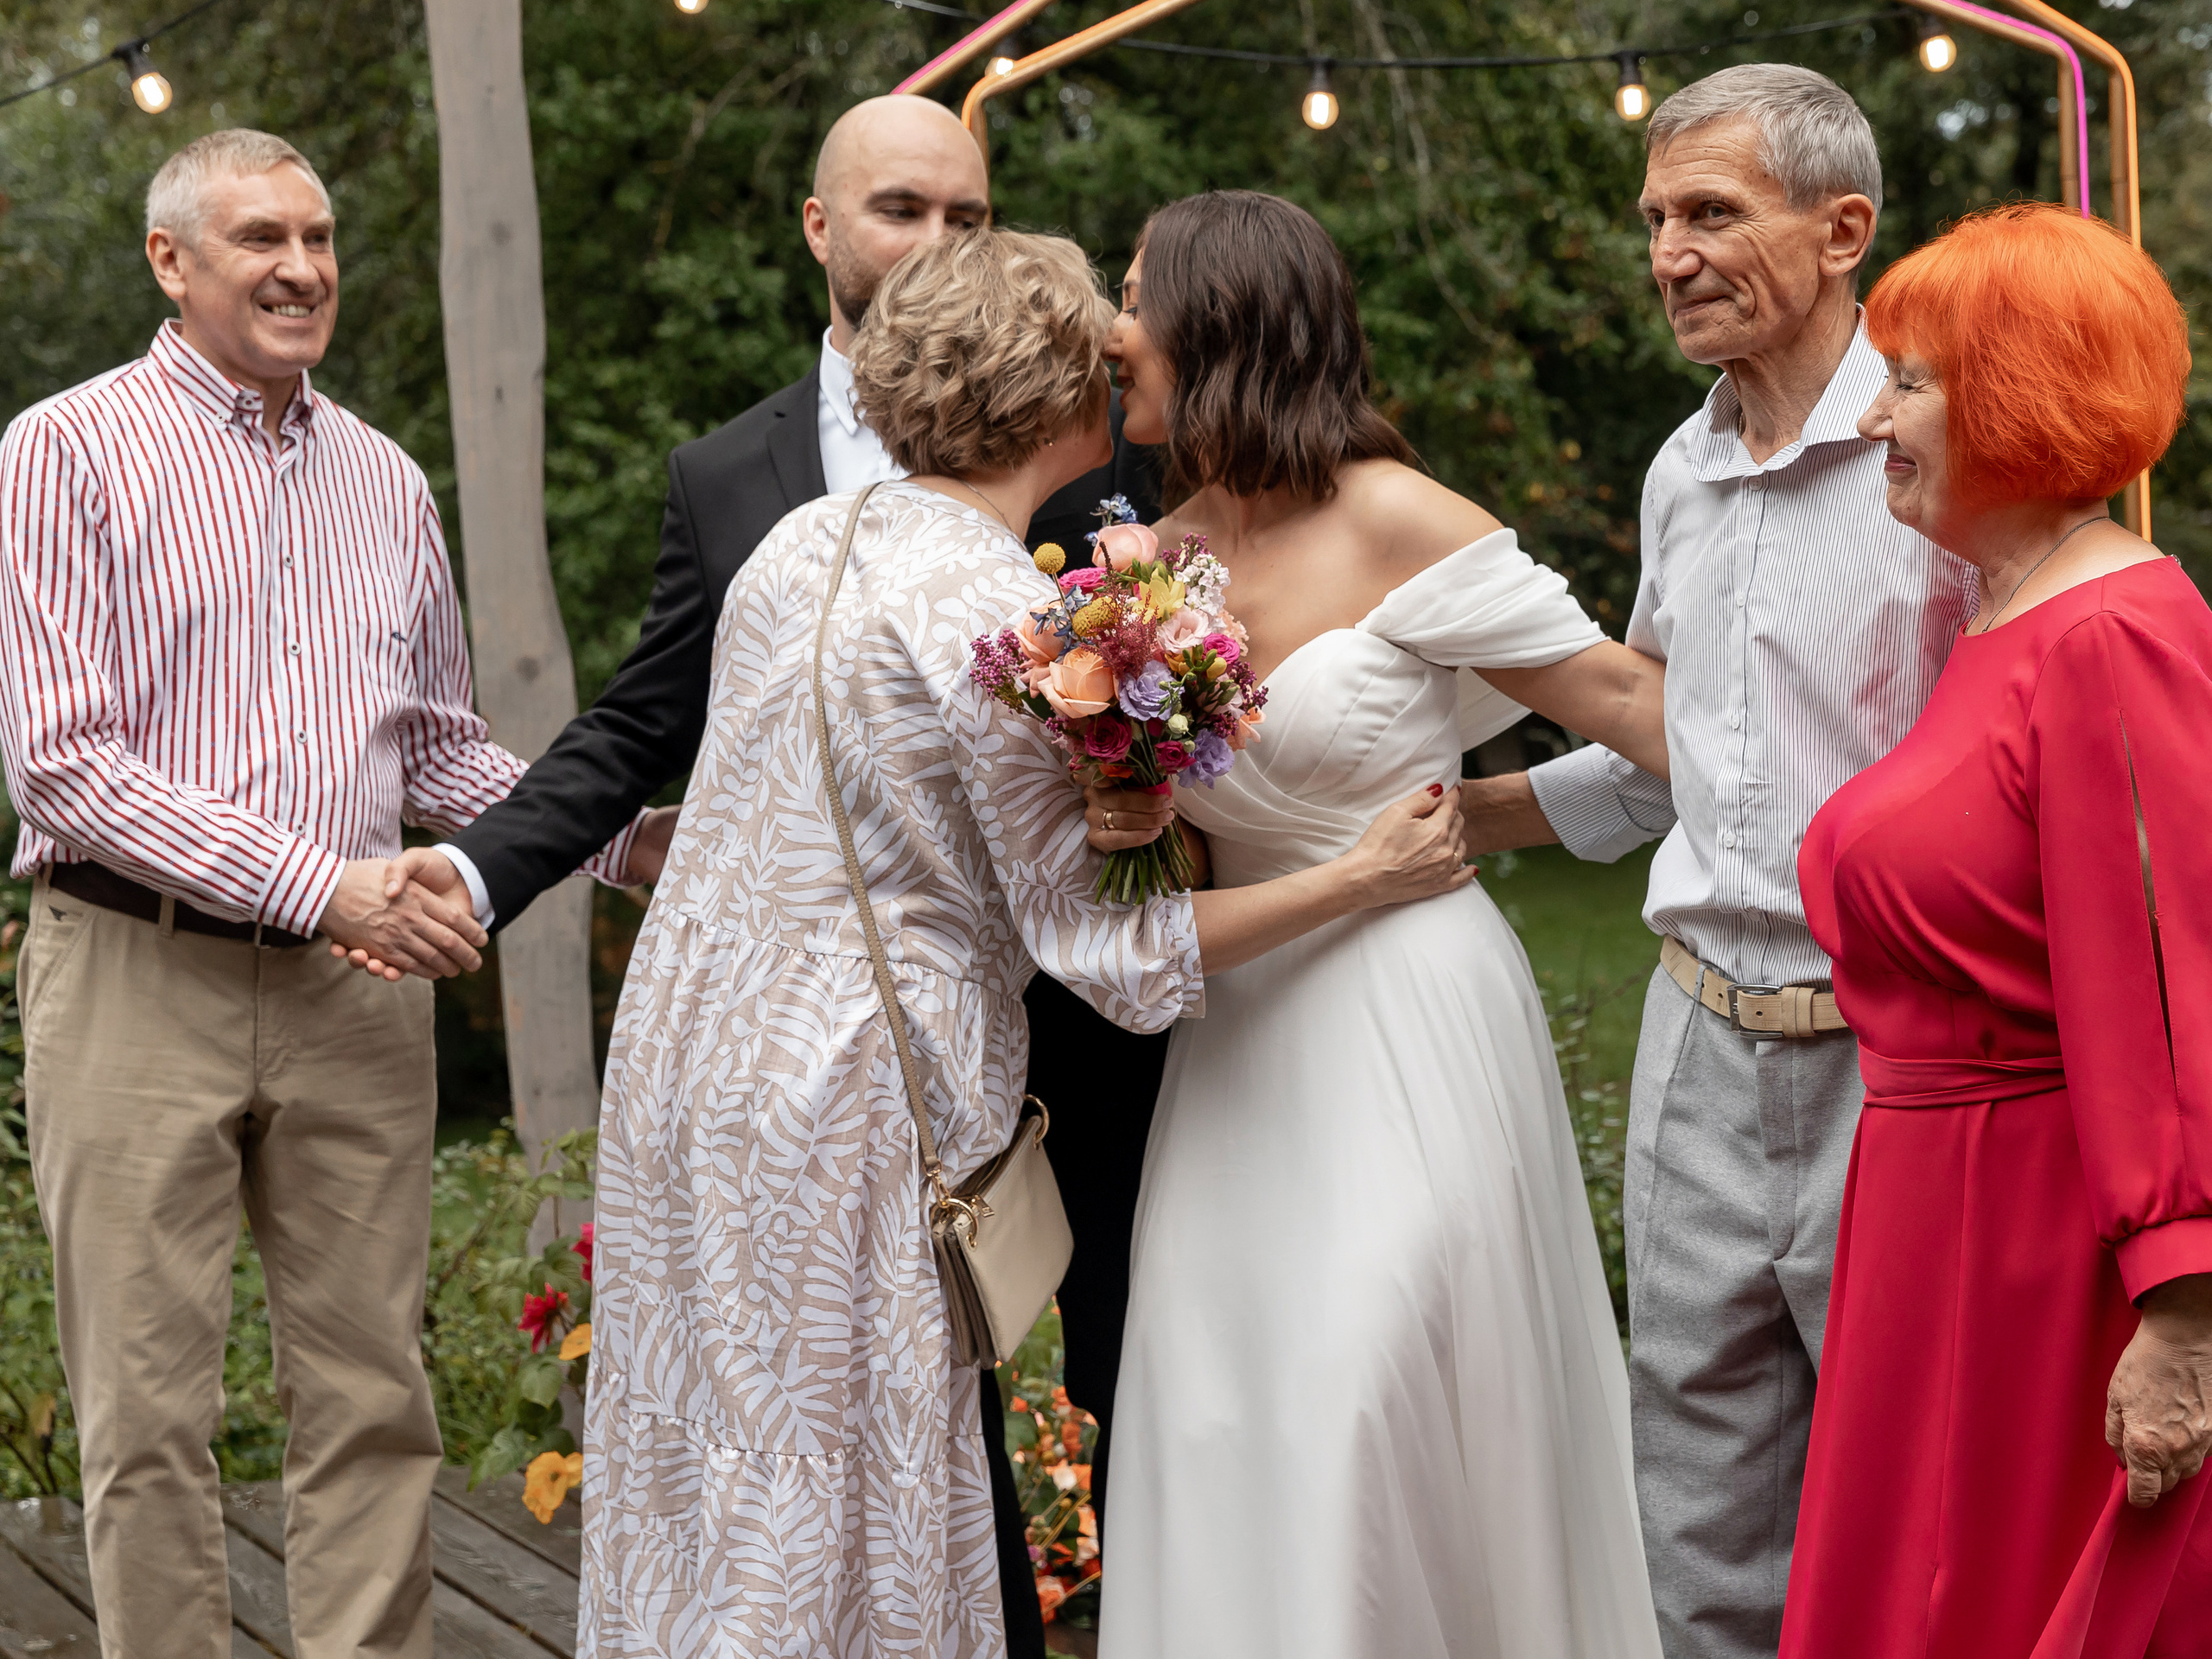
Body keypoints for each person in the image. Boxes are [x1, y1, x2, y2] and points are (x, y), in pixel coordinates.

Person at [579, 226, 1475, 1652]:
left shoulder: (799, 547)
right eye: (1102, 358)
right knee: (846, 1472)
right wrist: (1356, 876)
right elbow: (1110, 954)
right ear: (1062, 398)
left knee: (709, 1463)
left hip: (690, 1065)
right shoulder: (1003, 619)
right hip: (846, 1099)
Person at [363, 94, 1160, 1644]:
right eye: (901, 210)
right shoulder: (735, 478)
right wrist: (478, 874)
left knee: (1118, 1377)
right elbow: (642, 731)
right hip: (832, 1078)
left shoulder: (1082, 451)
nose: (938, 242)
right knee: (877, 1427)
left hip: (1070, 1036)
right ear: (821, 228)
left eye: (967, 216)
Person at [0, 130, 642, 1657]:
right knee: (148, 1419)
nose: (302, 267)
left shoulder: (383, 478)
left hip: (355, 1005)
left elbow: (434, 748)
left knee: (373, 1398)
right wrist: (326, 889)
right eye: (259, 239)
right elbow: (62, 767)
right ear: (173, 262)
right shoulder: (62, 453)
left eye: (321, 236)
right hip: (133, 975)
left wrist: (627, 845)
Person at [1084, 188, 1666, 1656]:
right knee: (1233, 1409)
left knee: (1376, 1384)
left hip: (1412, 1020)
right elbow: (1175, 886)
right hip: (1245, 1049)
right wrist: (1132, 827)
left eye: (1138, 294)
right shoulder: (1145, 567)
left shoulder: (1392, 512)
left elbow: (1648, 719)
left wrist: (1490, 815)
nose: (1111, 327)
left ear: (1219, 324)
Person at [1459, 66, 1974, 1656]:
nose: (1670, 254)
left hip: (1895, 1054)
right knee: (1690, 1498)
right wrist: (1449, 817)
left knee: (1913, 1492)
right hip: (1694, 1038)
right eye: (1656, 221)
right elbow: (1663, 758)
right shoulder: (1680, 472)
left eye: (1710, 214)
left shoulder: (1949, 453)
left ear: (1844, 233)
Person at [1783, 203, 2212, 1656]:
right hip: (1931, 1211)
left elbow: (2168, 991)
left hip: (2042, 1246)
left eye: (1908, 380)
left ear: (2021, 397)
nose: (1875, 413)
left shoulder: (2112, 636)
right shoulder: (2001, 614)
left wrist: (2184, 1312)